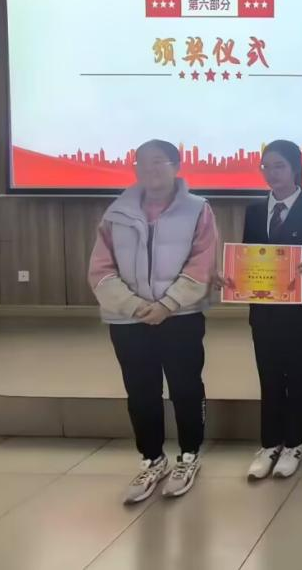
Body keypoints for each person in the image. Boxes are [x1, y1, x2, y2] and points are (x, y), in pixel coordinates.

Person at [87, 139, 216, 504]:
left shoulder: (198, 209)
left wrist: (168, 304)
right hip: (129, 320)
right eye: (142, 162)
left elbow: (202, 263)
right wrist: (134, 306)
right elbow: (99, 269)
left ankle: (188, 456)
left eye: (159, 161)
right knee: (141, 392)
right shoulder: (117, 212)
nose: (150, 169)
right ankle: (152, 459)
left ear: (177, 165)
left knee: (185, 388)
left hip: (181, 316)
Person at [237, 140, 302, 481]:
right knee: (268, 373)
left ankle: (294, 443)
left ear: (296, 168)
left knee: (295, 372)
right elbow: (247, 255)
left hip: (300, 307)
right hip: (263, 306)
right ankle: (269, 443)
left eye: (279, 166)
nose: (271, 173)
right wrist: (234, 274)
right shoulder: (254, 210)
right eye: (266, 167)